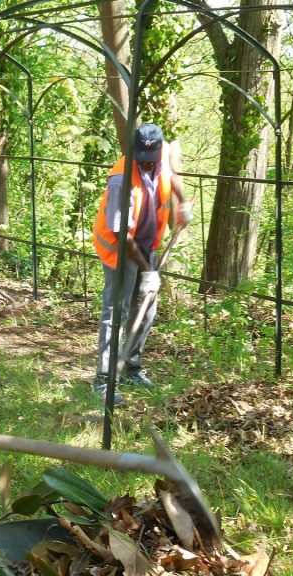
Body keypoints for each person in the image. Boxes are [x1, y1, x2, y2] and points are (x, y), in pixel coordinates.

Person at [91, 123, 192, 400]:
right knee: (116, 313)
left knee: (145, 310)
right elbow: (121, 235)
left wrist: (181, 203)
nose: (147, 166)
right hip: (119, 251)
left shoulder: (163, 155)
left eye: (152, 160)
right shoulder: (120, 181)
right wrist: (148, 271)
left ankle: (132, 369)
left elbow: (173, 174)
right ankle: (104, 379)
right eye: (142, 161)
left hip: (148, 244)